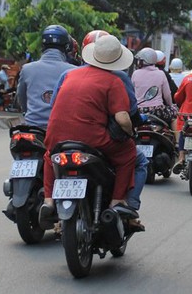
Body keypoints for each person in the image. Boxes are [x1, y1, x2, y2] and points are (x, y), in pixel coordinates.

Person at [39, 34, 138, 230]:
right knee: (128, 153)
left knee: (50, 156)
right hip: (92, 140)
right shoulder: (114, 81)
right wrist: (130, 133)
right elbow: (122, 118)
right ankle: (117, 201)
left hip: (56, 136)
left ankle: (49, 201)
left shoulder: (70, 74)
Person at [17, 25, 77, 128]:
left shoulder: (27, 69)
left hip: (32, 127)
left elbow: (21, 97)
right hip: (60, 129)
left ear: (43, 46)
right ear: (67, 47)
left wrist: (28, 112)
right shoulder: (74, 71)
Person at [132, 48, 177, 128]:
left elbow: (132, 93)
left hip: (139, 112)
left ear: (144, 61)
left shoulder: (135, 73)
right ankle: (176, 140)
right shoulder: (161, 74)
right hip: (158, 111)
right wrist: (171, 106)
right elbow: (167, 95)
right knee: (174, 116)